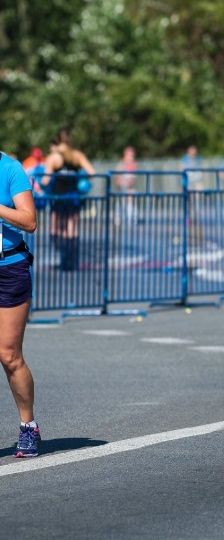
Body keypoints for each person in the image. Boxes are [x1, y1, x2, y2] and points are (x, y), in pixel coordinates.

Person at [0, 150, 40, 457]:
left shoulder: (10, 168)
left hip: (8, 268)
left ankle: (29, 427)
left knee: (9, 355)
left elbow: (29, 221)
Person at [41, 129, 96, 271]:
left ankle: (64, 260)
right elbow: (92, 172)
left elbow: (45, 180)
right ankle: (72, 262)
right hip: (73, 196)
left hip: (58, 197)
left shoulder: (54, 158)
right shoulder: (77, 156)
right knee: (72, 229)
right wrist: (79, 178)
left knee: (56, 228)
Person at [115, 146, 138, 225]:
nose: (131, 157)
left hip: (129, 187)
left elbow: (133, 177)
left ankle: (130, 219)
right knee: (120, 202)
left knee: (131, 199)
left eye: (132, 155)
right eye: (130, 155)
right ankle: (118, 218)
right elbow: (118, 176)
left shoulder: (133, 164)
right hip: (121, 187)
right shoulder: (121, 164)